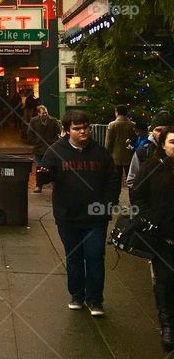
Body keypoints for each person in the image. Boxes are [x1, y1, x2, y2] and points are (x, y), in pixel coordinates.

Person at [37, 110, 119, 317]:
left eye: (85, 127)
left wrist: (107, 204)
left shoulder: (100, 153)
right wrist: (44, 175)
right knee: (74, 257)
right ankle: (77, 295)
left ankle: (95, 299)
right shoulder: (55, 151)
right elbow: (45, 176)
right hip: (68, 216)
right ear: (66, 130)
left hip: (95, 217)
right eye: (77, 128)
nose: (83, 131)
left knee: (94, 257)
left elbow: (113, 179)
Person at [131, 126, 174, 351]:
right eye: (173, 142)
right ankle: (167, 326)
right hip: (163, 237)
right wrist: (152, 220)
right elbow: (137, 196)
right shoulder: (151, 168)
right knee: (165, 282)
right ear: (163, 144)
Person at [128, 110, 172, 191]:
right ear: (152, 131)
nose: (161, 134)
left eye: (165, 130)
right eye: (158, 130)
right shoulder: (143, 152)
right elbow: (132, 180)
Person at [27, 105, 61, 193]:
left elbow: (58, 132)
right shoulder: (34, 121)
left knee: (53, 166)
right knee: (39, 167)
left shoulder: (53, 121)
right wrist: (35, 141)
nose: (45, 114)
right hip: (39, 148)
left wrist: (54, 142)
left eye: (46, 112)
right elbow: (30, 132)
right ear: (38, 113)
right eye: (43, 113)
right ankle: (39, 185)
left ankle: (55, 185)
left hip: (51, 147)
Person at [105, 105, 137, 187]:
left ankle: (115, 198)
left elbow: (108, 142)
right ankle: (132, 198)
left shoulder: (112, 125)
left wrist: (106, 155)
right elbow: (135, 140)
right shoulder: (132, 125)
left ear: (117, 112)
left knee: (116, 180)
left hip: (115, 156)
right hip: (130, 155)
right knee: (131, 180)